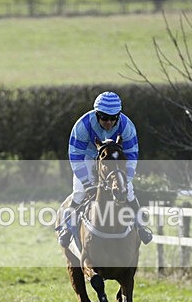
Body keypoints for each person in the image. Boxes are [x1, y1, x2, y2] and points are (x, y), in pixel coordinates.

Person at [57, 91, 153, 247]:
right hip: (88, 159)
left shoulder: (127, 126)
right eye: (103, 117)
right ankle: (67, 229)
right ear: (96, 114)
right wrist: (88, 184)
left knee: (129, 191)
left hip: (114, 162)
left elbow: (132, 156)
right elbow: (75, 156)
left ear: (118, 116)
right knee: (79, 192)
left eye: (113, 118)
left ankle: (141, 227)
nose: (108, 122)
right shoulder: (83, 126)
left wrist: (125, 180)